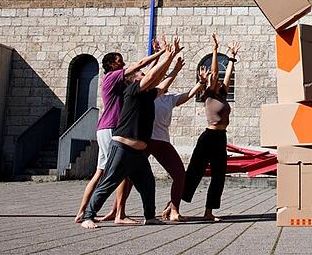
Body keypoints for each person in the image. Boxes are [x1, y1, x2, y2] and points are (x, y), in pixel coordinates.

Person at [80, 37, 182, 229]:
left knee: (148, 184)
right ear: (133, 80)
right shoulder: (132, 91)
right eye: (140, 74)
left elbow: (161, 86)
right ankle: (88, 216)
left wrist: (175, 69)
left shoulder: (146, 94)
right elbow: (152, 77)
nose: (143, 74)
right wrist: (167, 56)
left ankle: (150, 216)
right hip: (123, 148)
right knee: (109, 181)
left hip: (137, 153)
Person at [182, 34, 239, 221]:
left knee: (219, 176)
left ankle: (209, 212)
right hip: (208, 137)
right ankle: (173, 205)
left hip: (221, 138)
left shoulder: (222, 93)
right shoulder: (206, 94)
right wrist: (215, 50)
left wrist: (231, 57)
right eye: (214, 80)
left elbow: (227, 75)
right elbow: (214, 74)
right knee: (194, 173)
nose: (216, 80)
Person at [147, 55, 205, 222]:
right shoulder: (147, 96)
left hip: (162, 141)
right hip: (145, 141)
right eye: (163, 79)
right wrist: (160, 56)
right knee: (128, 175)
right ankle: (118, 211)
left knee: (180, 175)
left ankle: (174, 210)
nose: (166, 83)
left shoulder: (169, 99)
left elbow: (187, 95)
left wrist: (200, 83)